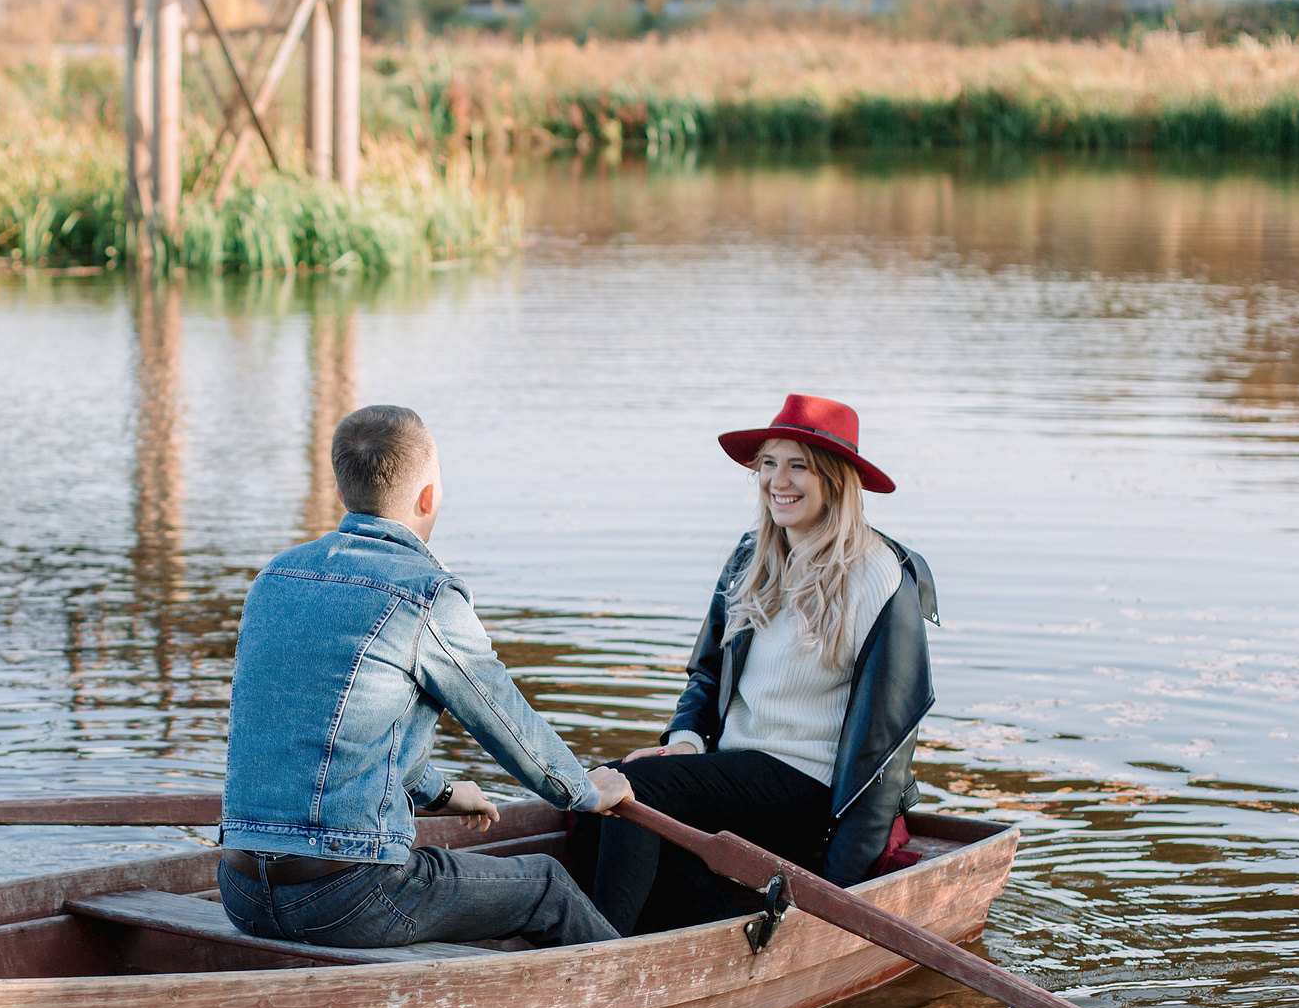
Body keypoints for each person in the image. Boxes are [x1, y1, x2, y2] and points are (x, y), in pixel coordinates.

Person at [218, 404, 634, 951]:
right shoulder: (426, 595)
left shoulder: (274, 578)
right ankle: (653, 1004)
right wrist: (583, 791)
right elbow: (504, 720)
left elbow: (353, 728)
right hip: (348, 896)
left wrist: (440, 794)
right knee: (548, 886)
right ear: (428, 496)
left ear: (343, 494)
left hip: (242, 893)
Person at [592, 394, 938, 936]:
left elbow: (885, 743)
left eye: (798, 465)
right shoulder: (750, 558)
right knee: (594, 798)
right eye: (769, 464)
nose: (779, 480)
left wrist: (844, 888)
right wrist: (685, 742)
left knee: (639, 787)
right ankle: (726, 925)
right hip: (738, 770)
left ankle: (596, 956)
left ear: (835, 479)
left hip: (809, 785)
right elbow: (708, 674)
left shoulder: (880, 576)